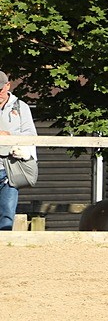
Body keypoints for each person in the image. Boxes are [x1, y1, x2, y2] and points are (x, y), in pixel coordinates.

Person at [0, 71, 38, 231]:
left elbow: (31, 135)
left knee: (7, 213)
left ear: (7, 86)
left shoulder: (21, 107)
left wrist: (10, 136)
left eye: (0, 90)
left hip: (10, 168)